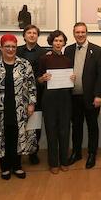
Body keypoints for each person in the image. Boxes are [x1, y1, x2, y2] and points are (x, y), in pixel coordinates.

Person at [0, 34, 37, 180]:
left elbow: (31, 86)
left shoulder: (25, 64)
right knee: (3, 136)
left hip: (20, 108)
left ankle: (17, 166)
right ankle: (5, 168)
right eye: (7, 46)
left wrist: (31, 103)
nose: (10, 49)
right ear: (1, 48)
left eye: (13, 46)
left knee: (17, 136)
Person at [65, 22, 101, 169]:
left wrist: (99, 95)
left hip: (91, 97)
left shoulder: (97, 50)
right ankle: (76, 152)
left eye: (83, 32)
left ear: (86, 33)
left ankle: (92, 154)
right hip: (73, 97)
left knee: (92, 126)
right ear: (74, 33)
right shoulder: (68, 50)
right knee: (76, 127)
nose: (80, 35)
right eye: (77, 32)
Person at [38, 30, 74, 174]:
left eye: (61, 41)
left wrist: (72, 79)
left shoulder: (67, 59)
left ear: (64, 43)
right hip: (49, 99)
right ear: (51, 42)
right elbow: (38, 79)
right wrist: (42, 78)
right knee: (51, 131)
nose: (58, 43)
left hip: (65, 99)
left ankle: (64, 161)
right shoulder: (44, 59)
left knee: (65, 131)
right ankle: (53, 163)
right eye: (55, 41)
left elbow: (70, 78)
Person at [16, 25, 47, 165]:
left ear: (38, 36)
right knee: (19, 124)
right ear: (24, 35)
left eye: (35, 33)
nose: (32, 35)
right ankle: (17, 154)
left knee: (35, 125)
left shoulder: (44, 53)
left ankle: (33, 152)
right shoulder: (16, 51)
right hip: (19, 94)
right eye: (29, 32)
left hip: (38, 94)